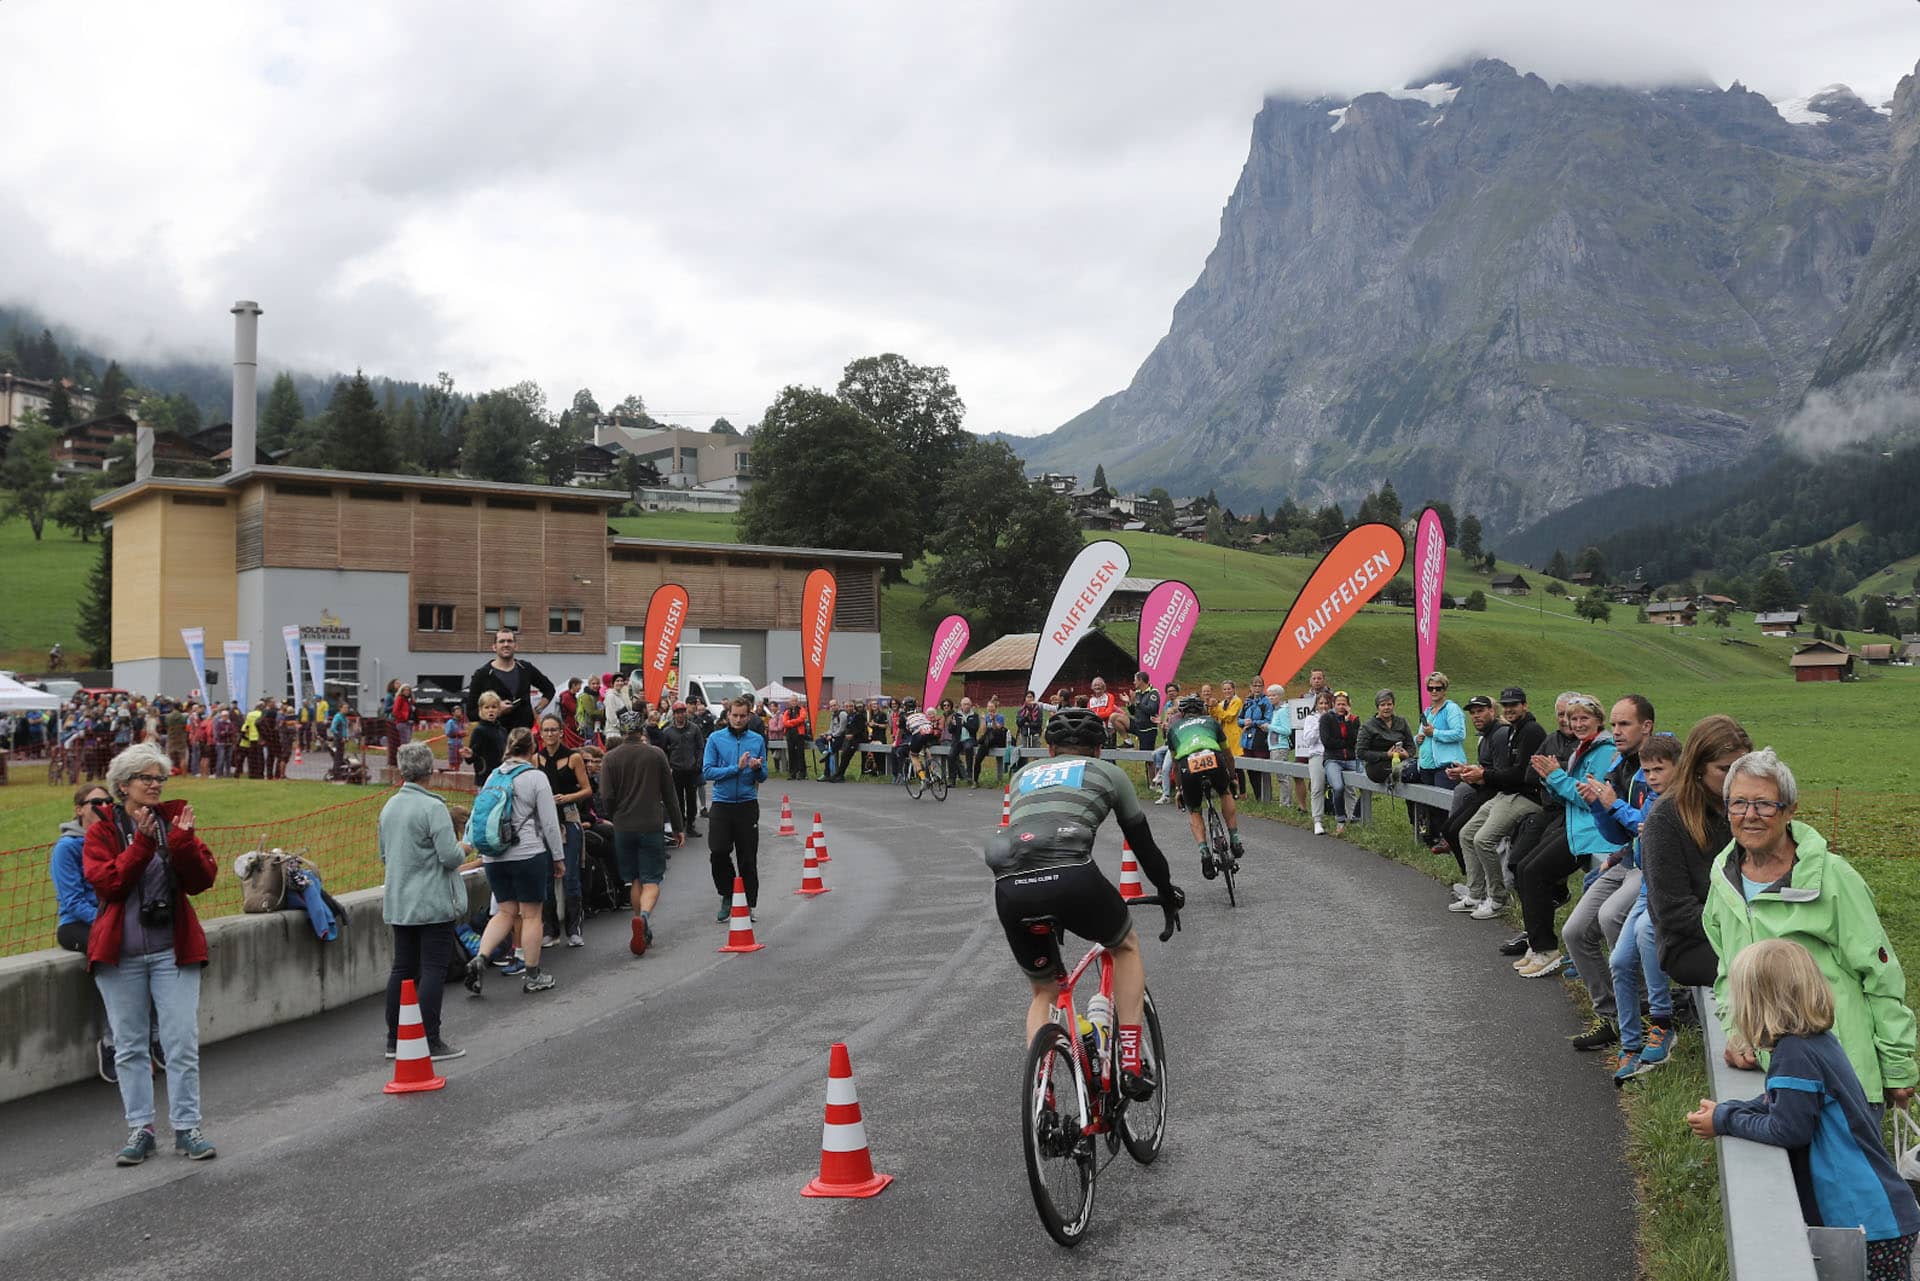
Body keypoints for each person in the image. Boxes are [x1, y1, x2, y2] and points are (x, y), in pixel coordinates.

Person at [1687, 939, 1920, 1281]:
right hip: (1880, 1215)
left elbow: (1789, 1128)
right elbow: (1783, 1103)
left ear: (1758, 1005)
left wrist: (1724, 1120)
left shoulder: (1794, 1055)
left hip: (1865, 1225)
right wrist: (1731, 1108)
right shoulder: (1816, 1043)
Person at [983, 706, 1184, 1099]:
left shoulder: (1022, 775)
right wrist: (1165, 890)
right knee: (1124, 945)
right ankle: (1129, 1062)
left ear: (1049, 747)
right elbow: (1142, 844)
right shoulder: (1109, 773)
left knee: (1043, 992)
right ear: (1099, 748)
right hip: (1072, 876)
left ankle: (1043, 1093)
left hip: (1011, 885)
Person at [1703, 748, 1918, 1113]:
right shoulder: (1724, 879)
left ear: (1790, 810)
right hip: (1777, 1074)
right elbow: (1727, 969)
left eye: (1764, 804)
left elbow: (1880, 974)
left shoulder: (1833, 877)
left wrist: (1897, 1065)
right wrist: (1737, 1031)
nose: (1749, 816)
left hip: (1842, 1075)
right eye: (1738, 803)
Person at [84, 742, 218, 1165]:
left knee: (180, 1043)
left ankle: (187, 1127)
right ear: (123, 785)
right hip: (119, 956)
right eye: (147, 777)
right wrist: (141, 846)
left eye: (160, 777)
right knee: (130, 1047)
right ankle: (140, 1129)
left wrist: (181, 843)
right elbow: (108, 884)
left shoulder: (173, 822)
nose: (156, 784)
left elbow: (202, 880)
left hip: (171, 953)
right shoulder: (102, 832)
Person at [1561, 694, 1657, 1049]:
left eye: (1623, 724)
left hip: (1650, 867)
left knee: (1611, 915)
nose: (1616, 731)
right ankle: (1612, 1016)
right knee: (1574, 933)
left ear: (1646, 727)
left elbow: (1651, 825)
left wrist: (1612, 803)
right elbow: (1617, 833)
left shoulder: (1658, 765)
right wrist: (1599, 807)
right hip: (1628, 860)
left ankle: (1647, 1014)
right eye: (1614, 724)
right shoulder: (1620, 766)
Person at [1510, 693, 1617, 978]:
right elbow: (1571, 795)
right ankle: (1537, 945)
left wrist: (1556, 777)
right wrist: (1550, 777)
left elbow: (1588, 798)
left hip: (1592, 833)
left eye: (1585, 718)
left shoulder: (1603, 750)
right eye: (1574, 719)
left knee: (1534, 873)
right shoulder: (1586, 748)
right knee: (1523, 867)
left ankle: (1546, 949)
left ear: (1599, 721)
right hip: (1576, 826)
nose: (1578, 724)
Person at [1643, 715, 1754, 987]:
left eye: (1743, 767)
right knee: (1765, 973)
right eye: (1725, 769)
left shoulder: (1747, 807)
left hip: (1749, 926)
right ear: (1698, 768)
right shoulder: (1666, 818)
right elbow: (1673, 909)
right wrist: (1748, 929)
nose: (1736, 778)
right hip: (1689, 943)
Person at [379, 742, 466, 1061]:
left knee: (402, 968)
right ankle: (430, 1038)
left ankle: (394, 1037)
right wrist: (466, 846)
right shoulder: (433, 807)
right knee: (432, 969)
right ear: (430, 771)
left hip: (399, 901)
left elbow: (384, 854)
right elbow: (450, 856)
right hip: (431, 901)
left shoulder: (389, 807)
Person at [463, 727, 564, 995]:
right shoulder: (535, 777)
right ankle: (533, 974)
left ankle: (480, 959)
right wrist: (558, 857)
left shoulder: (494, 776)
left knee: (506, 912)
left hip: (494, 856)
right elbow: (550, 824)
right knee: (531, 914)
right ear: (532, 749)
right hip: (527, 854)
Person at [1605, 732, 1680, 1080]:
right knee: (1619, 961)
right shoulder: (1651, 799)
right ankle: (1630, 1043)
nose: (1652, 777)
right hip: (1645, 890)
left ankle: (1663, 1022)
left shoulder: (1680, 802)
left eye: (1659, 770)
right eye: (1647, 771)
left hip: (1663, 892)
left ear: (1679, 768)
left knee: (1646, 934)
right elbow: (1635, 834)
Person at [1456, 688, 1547, 921]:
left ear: (1525, 705)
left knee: (1483, 839)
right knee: (1466, 834)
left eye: (1514, 705)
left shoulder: (1531, 731)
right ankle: (1475, 894)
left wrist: (1484, 775)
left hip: (1526, 796)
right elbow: (1507, 771)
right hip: (1506, 793)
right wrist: (1480, 773)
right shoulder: (1514, 731)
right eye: (1506, 705)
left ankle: (1497, 899)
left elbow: (1521, 776)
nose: (1510, 709)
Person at [600, 710, 686, 957]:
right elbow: (670, 794)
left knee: (635, 880)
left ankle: (639, 921)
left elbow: (606, 795)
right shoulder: (656, 754)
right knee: (652, 879)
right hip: (650, 824)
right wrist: (678, 827)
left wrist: (614, 814)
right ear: (642, 730)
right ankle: (645, 918)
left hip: (623, 826)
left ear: (622, 730)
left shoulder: (610, 758)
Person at [1165, 694, 1246, 878]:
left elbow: (1175, 765)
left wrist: (1179, 790)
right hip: (1213, 756)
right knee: (1225, 792)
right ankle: (1235, 839)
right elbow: (1228, 755)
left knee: (1194, 809)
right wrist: (1232, 778)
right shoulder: (1211, 722)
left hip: (1187, 763)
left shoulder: (1173, 728)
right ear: (1202, 709)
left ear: (1182, 712)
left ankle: (1204, 853)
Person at [703, 696, 769, 921]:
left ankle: (748, 904)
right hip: (722, 803)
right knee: (719, 852)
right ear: (727, 715)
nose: (738, 719)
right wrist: (736, 768)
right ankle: (727, 894)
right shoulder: (715, 738)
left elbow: (764, 775)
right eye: (735, 715)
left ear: (749, 715)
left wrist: (757, 768)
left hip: (747, 804)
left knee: (747, 857)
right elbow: (708, 771)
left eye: (743, 716)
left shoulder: (757, 739)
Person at [535, 713, 593, 949]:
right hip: (544, 825)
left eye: (553, 730)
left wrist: (568, 797)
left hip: (568, 820)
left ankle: (574, 929)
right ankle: (550, 930)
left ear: (561, 732)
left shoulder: (574, 758)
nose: (550, 734)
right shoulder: (535, 759)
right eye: (546, 730)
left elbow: (587, 789)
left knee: (570, 877)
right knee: (546, 878)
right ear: (540, 733)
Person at [1439, 695, 1505, 866]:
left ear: (1492, 711)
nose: (1476, 716)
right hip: (1485, 790)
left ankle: (1481, 880)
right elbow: (1485, 771)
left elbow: (1500, 775)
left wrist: (1476, 775)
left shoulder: (1500, 735)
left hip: (1497, 794)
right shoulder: (1485, 737)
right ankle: (1474, 877)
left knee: (1457, 831)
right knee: (1449, 829)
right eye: (1473, 712)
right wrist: (1465, 773)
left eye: (1480, 711)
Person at [462, 628, 557, 734]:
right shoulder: (482, 674)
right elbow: (471, 713)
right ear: (494, 647)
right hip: (495, 739)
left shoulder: (525, 668)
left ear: (515, 646)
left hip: (523, 736)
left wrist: (537, 710)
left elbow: (549, 689)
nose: (506, 644)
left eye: (510, 641)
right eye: (501, 641)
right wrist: (496, 710)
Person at [1411, 672, 1466, 849]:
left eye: (1438, 688)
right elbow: (1423, 734)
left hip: (1445, 764)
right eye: (1431, 688)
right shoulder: (1428, 711)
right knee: (1431, 804)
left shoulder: (1451, 709)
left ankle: (1449, 839)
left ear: (1445, 689)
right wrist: (1417, 739)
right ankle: (1434, 836)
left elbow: (1459, 733)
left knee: (1443, 803)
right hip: (1427, 765)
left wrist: (1435, 733)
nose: (1434, 691)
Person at [659, 701, 706, 835]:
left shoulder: (694, 728)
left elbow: (700, 747)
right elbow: (663, 750)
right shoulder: (668, 731)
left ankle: (691, 824)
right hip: (676, 770)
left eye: (682, 712)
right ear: (674, 714)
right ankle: (681, 823)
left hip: (691, 769)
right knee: (677, 799)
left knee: (691, 798)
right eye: (677, 712)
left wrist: (698, 763)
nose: (680, 715)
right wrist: (668, 766)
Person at [1237, 678, 1273, 802]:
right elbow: (1239, 720)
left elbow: (1268, 720)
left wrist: (1253, 723)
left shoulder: (1266, 702)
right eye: (1255, 686)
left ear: (1263, 687)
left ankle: (1266, 797)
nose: (1257, 688)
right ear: (1250, 687)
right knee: (1250, 768)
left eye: (1259, 686)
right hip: (1247, 739)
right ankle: (1258, 796)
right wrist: (1244, 722)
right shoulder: (1247, 702)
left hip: (1260, 738)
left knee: (1262, 767)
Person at [466, 691, 506, 787]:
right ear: (481, 709)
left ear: (499, 709)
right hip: (485, 779)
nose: (490, 710)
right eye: (487, 707)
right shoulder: (479, 731)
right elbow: (471, 757)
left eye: (494, 707)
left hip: (501, 777)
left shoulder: (502, 730)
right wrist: (469, 755)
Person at [1128, 672, 1160, 756]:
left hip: (1148, 729)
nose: (1133, 682)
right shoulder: (1137, 693)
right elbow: (1133, 712)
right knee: (1116, 718)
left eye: (1135, 680)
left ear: (1141, 680)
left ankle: (1152, 769)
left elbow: (1152, 710)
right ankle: (1127, 742)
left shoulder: (1153, 693)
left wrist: (1137, 703)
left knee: (1148, 758)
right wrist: (1130, 702)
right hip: (1138, 726)